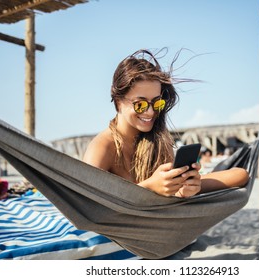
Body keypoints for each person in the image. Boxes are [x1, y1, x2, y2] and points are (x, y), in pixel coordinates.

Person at [83, 49, 249, 198]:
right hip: (121, 226)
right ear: (119, 102)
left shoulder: (157, 139)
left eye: (157, 103)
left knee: (240, 175)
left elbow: (170, 192)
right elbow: (88, 204)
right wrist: (149, 187)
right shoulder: (103, 147)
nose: (150, 112)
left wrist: (185, 188)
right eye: (140, 104)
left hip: (158, 220)